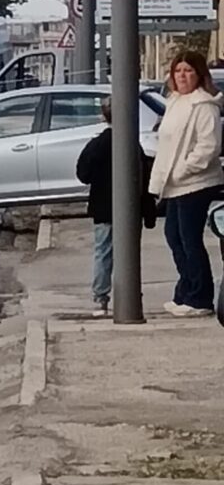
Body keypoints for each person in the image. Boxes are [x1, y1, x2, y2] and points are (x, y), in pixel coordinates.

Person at [149, 51, 224, 318]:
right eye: (178, 70)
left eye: (188, 70)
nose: (182, 76)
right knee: (174, 236)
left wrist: (184, 169)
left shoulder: (204, 105)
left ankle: (200, 297)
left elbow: (208, 146)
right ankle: (186, 290)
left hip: (196, 181)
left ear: (199, 74)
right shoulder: (175, 101)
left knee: (189, 238)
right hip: (174, 181)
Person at [76, 97, 156, 317]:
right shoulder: (133, 143)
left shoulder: (97, 144)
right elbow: (144, 178)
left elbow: (83, 174)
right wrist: (149, 211)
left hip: (103, 208)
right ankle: (131, 294)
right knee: (129, 253)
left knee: (103, 253)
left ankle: (101, 299)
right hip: (132, 209)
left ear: (104, 116)